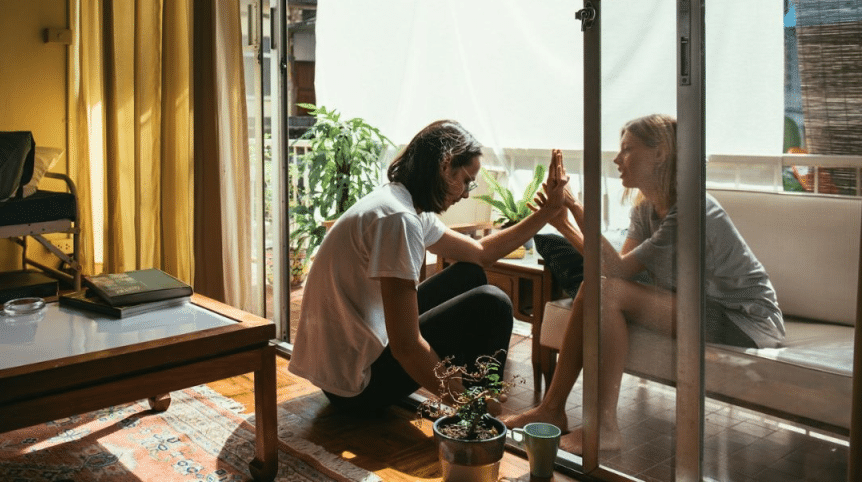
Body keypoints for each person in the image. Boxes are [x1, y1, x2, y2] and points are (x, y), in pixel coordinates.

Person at [506, 114, 785, 454]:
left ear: (659, 154)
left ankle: (604, 426)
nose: (616, 158)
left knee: (604, 289)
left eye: (627, 150)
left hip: (743, 319)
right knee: (594, 288)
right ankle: (552, 409)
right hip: (697, 306)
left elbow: (618, 272)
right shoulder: (645, 210)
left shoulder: (692, 210)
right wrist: (562, 223)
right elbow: (616, 270)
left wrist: (575, 206)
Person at [288, 120, 568, 414]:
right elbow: (406, 346)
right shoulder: (399, 219)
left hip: (348, 366)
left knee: (470, 273)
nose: (466, 193)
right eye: (467, 180)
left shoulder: (402, 204)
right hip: (356, 386)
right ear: (446, 167)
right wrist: (464, 402)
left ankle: (480, 394)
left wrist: (548, 211)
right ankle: (478, 410)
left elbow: (481, 253)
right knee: (493, 303)